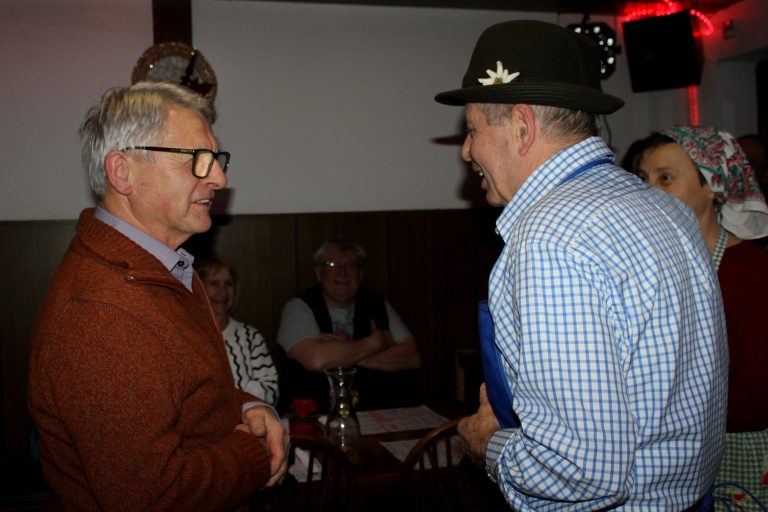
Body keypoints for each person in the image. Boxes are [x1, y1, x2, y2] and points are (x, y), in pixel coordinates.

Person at [434, 20, 727, 511]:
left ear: (522, 126)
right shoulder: (666, 209)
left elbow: (580, 472)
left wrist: (488, 444)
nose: (466, 151)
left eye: (472, 130)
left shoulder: (550, 238)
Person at [27, 82, 288, 511]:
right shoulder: (102, 314)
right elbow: (151, 496)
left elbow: (183, 396)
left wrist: (245, 407)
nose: (219, 178)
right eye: (196, 158)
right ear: (122, 171)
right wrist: (254, 452)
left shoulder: (159, 266)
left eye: (216, 159)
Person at [634, 126, 768, 508]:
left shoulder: (753, 272)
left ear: (713, 186)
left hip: (734, 461)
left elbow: (757, 401)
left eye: (665, 178)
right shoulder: (652, 267)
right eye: (643, 179)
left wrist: (657, 411)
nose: (648, 191)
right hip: (671, 464)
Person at [276, 238, 421, 412]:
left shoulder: (378, 304)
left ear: (361, 274)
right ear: (318, 273)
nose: (343, 273)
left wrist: (344, 352)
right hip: (316, 416)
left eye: (351, 266)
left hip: (378, 411)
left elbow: (412, 357)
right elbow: (315, 360)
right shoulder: (298, 307)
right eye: (332, 265)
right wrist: (376, 343)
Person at [196, 256, 280, 406]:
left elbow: (271, 391)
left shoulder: (250, 336)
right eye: (214, 284)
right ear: (198, 288)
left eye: (229, 284)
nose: (223, 292)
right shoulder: (187, 336)